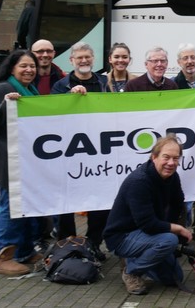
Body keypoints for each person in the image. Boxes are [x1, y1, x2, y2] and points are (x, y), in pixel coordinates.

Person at [0, 50, 42, 276]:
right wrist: (5, 105)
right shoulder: (3, 88)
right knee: (12, 202)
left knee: (24, 203)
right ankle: (3, 256)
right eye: (24, 66)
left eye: (32, 66)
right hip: (4, 153)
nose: (29, 70)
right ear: (12, 67)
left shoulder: (30, 90)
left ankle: (23, 250)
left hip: (21, 155)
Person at [103, 134, 191, 295]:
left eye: (175, 158)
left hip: (146, 234)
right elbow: (148, 225)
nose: (171, 163)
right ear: (154, 157)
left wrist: (172, 225)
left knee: (174, 278)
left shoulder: (173, 177)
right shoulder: (139, 182)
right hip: (122, 237)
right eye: (166, 157)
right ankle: (131, 271)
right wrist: (176, 229)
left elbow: (178, 203)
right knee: (169, 240)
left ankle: (135, 258)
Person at [50, 42, 110, 261]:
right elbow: (54, 115)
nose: (84, 61)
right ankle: (68, 243)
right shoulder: (61, 86)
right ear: (71, 61)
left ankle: (93, 243)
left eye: (88, 57)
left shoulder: (104, 83)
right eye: (79, 58)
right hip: (70, 152)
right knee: (66, 199)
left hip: (99, 152)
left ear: (93, 59)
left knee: (100, 200)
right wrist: (71, 99)